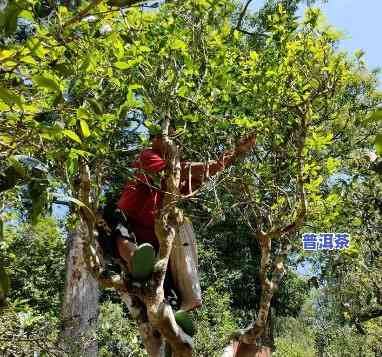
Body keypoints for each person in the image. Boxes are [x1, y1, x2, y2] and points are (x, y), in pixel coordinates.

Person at [109, 131, 257, 311]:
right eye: (166, 139)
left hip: (154, 239)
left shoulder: (175, 181)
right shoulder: (147, 156)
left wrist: (233, 154)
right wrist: (225, 158)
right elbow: (181, 170)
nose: (171, 144)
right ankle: (135, 260)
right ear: (155, 140)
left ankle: (182, 301)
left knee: (180, 223)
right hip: (129, 223)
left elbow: (196, 177)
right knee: (116, 223)